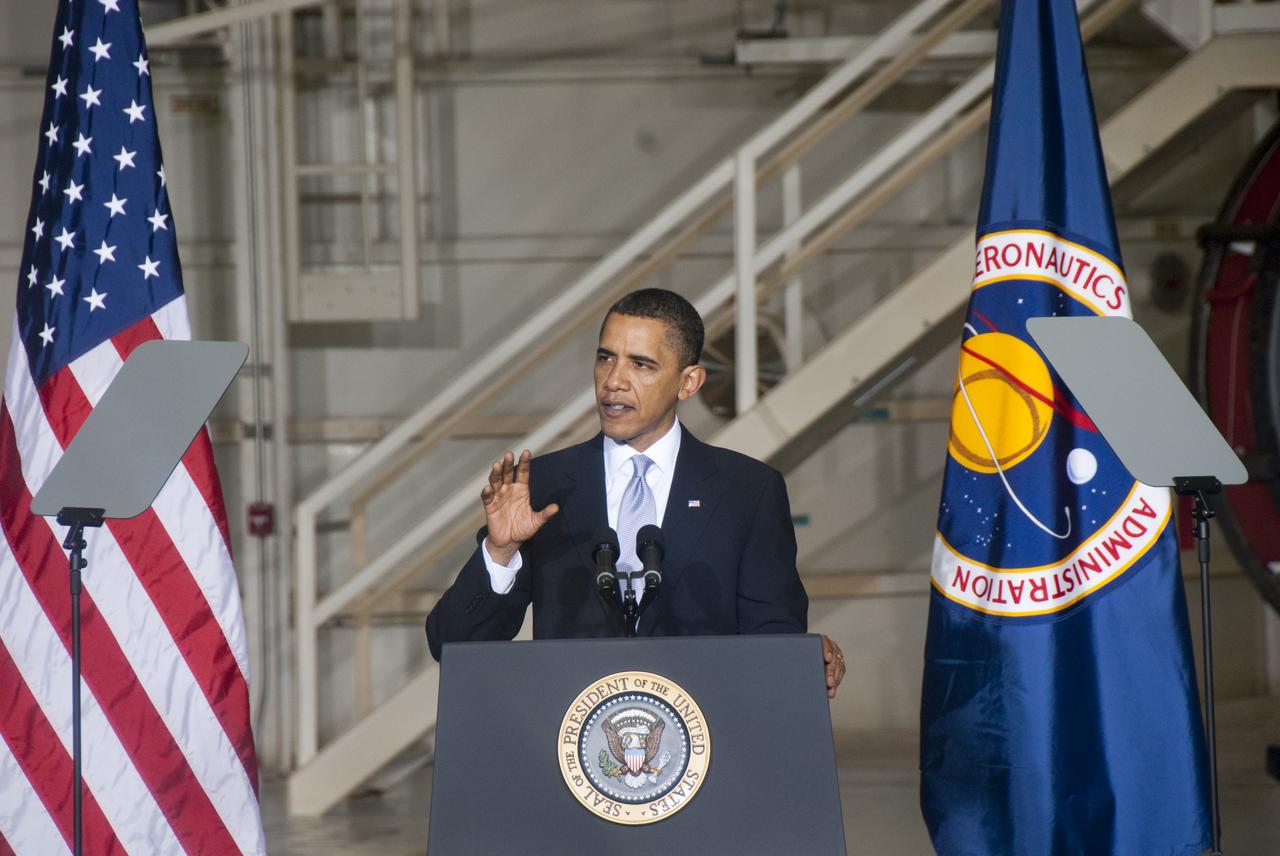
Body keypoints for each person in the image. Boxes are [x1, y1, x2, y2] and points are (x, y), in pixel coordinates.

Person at [425, 288, 846, 697]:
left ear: (689, 382)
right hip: (568, 750)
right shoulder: (544, 485)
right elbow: (451, 645)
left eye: (641, 365)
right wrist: (500, 554)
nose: (614, 381)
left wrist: (802, 655)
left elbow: (772, 637)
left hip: (707, 748)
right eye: (606, 357)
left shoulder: (748, 491)